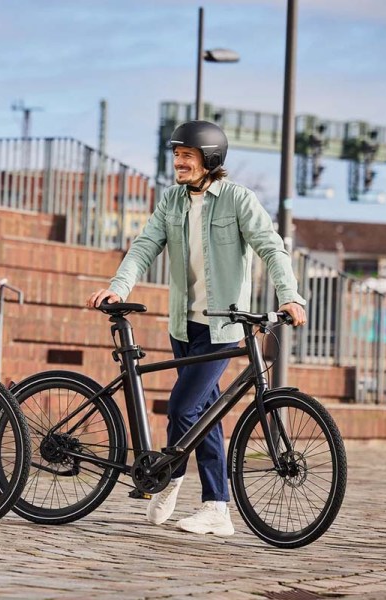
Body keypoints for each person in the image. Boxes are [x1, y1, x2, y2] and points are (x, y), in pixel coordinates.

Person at [87, 120, 306, 536]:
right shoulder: (171, 200)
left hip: (222, 328)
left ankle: (171, 478)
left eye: (187, 155)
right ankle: (216, 506)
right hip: (182, 326)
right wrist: (118, 287)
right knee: (204, 413)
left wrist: (289, 296)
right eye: (176, 155)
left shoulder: (238, 200)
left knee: (184, 408)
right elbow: (144, 245)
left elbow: (271, 247)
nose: (179, 162)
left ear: (211, 159)